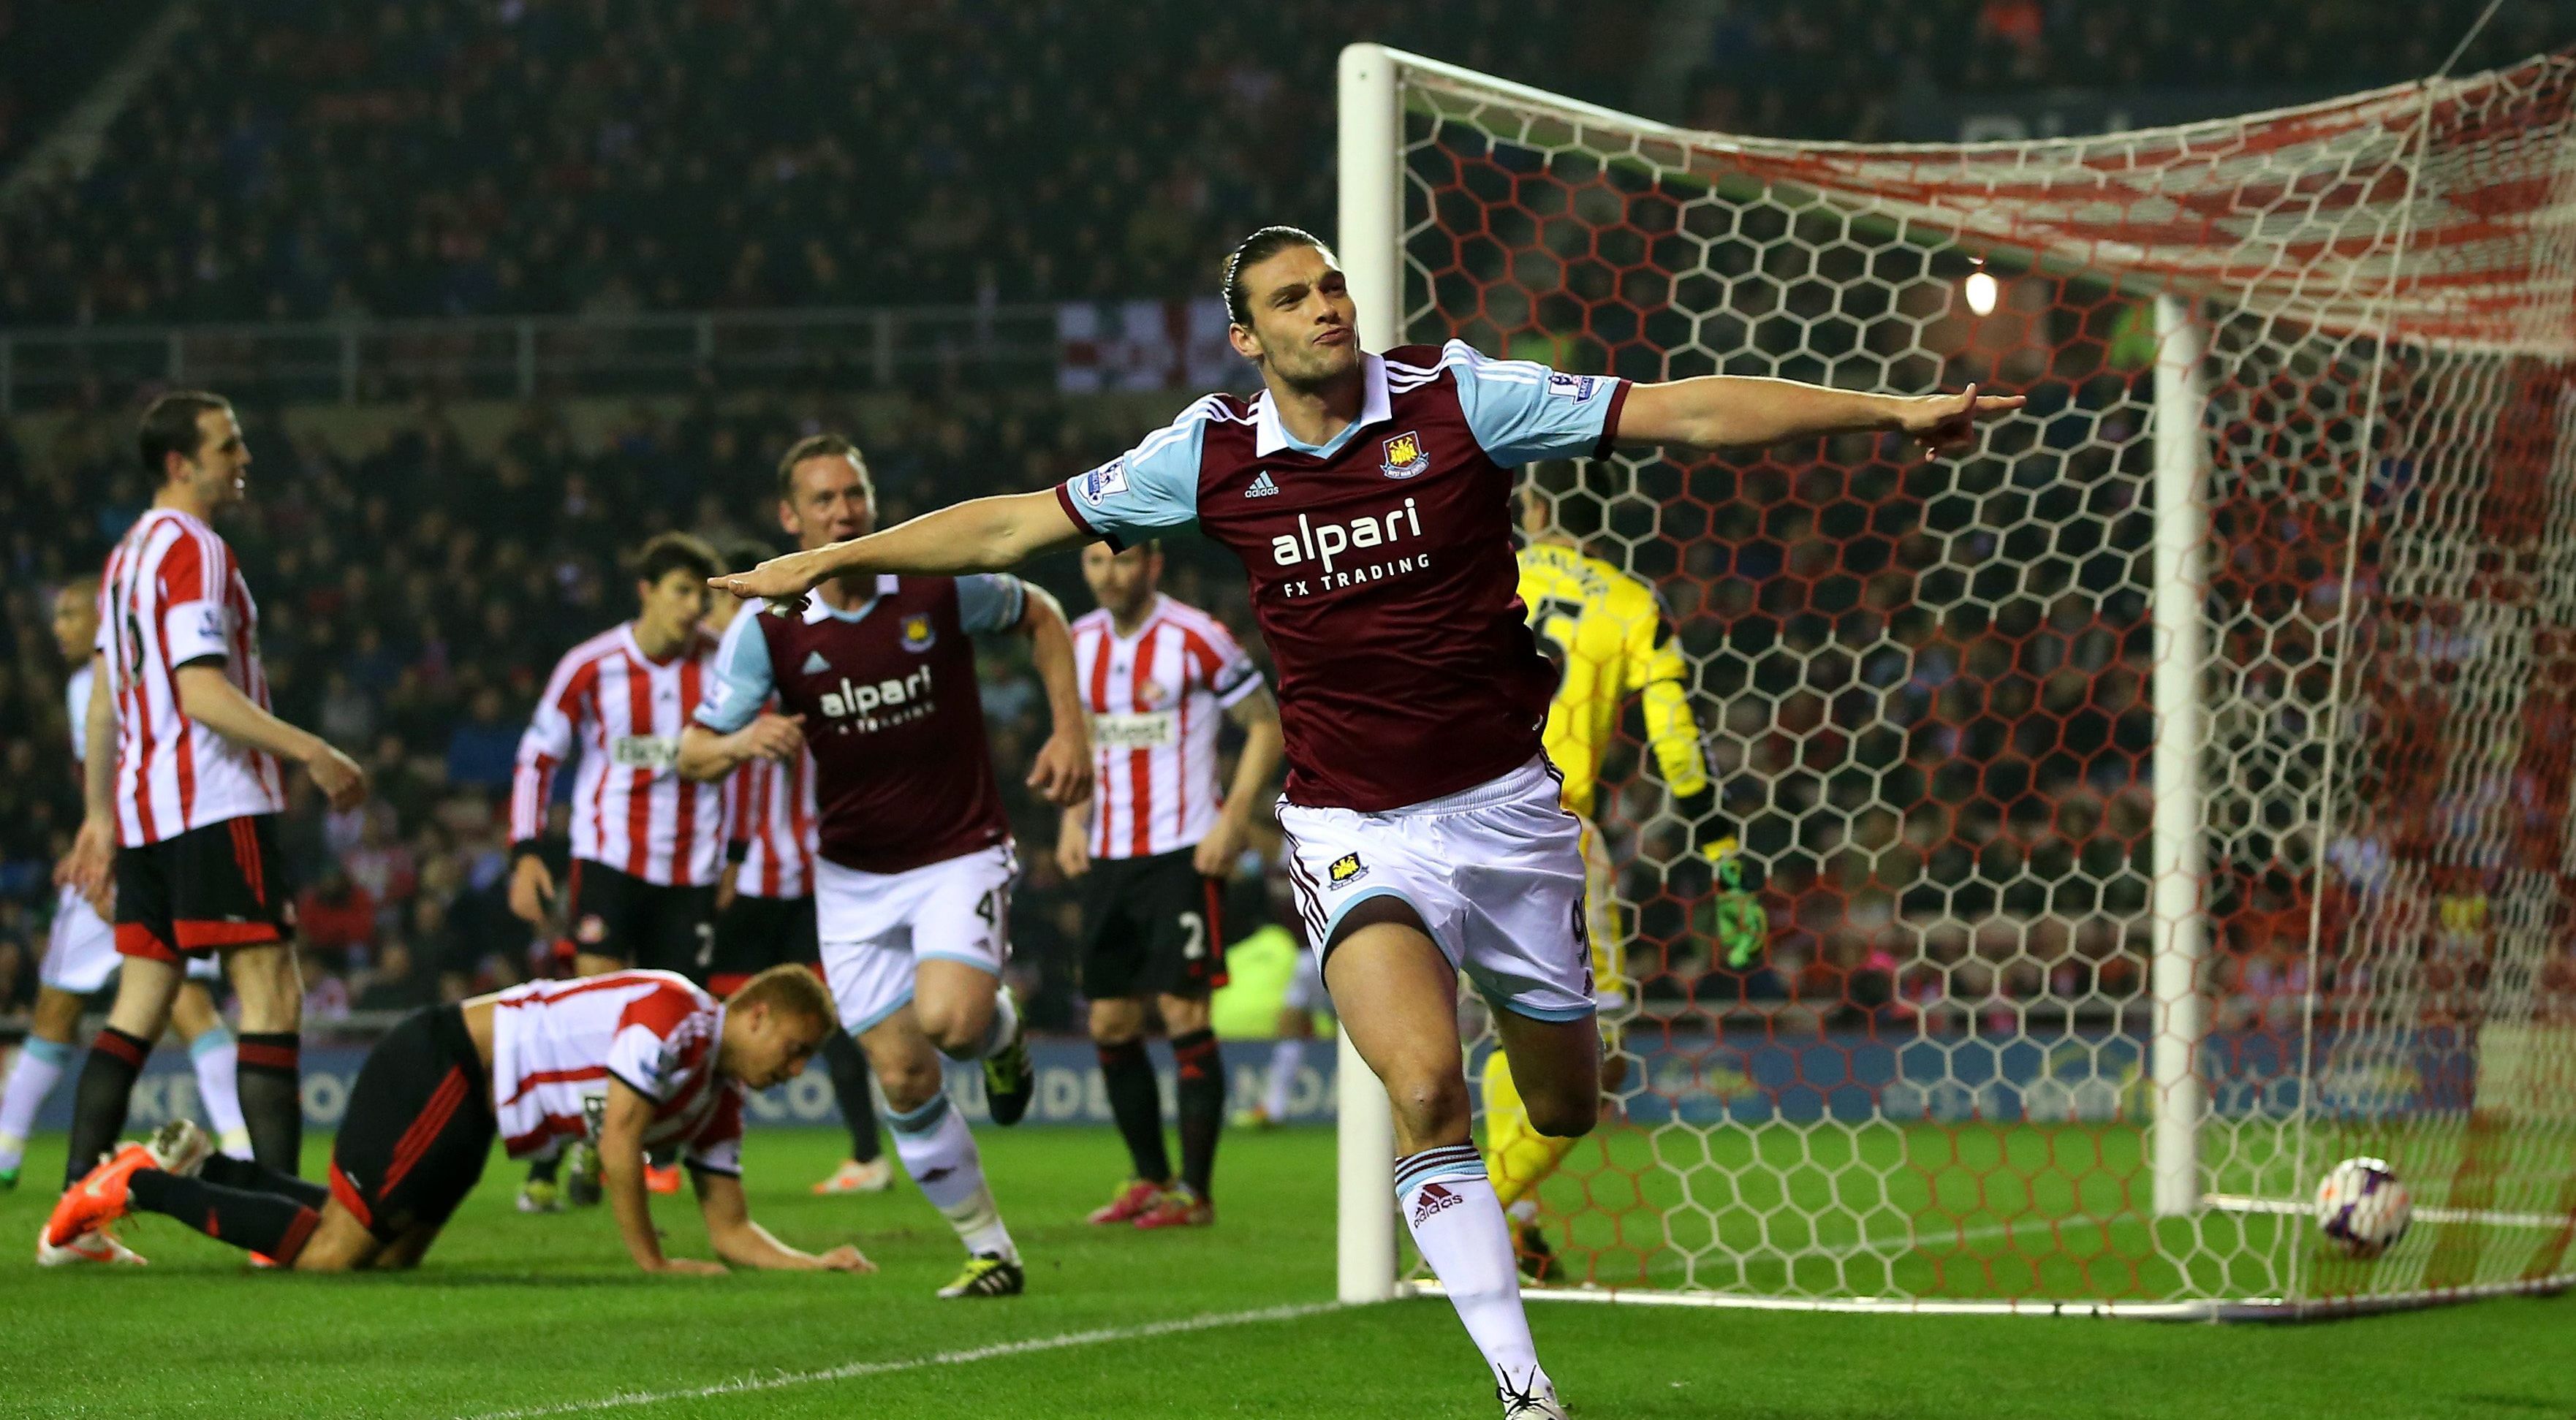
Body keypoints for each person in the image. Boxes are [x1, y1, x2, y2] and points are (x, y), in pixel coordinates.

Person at [713, 227, 2018, 1417]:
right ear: (1246, 336)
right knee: (1423, 1081)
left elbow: (1680, 409)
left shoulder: (1458, 397)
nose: (1326, 305)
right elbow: (1017, 520)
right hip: (1351, 825)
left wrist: (1884, 410)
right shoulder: (1207, 455)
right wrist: (841, 554)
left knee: (1563, 1099)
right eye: (1291, 296)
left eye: (1332, 283)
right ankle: (1522, 1386)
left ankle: (1514, 1227)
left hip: (1509, 815)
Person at [681, 433, 1091, 1299]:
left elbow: (1041, 615)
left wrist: (1070, 729)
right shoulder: (768, 628)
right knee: (902, 1074)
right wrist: (742, 740)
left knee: (949, 1023)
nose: (843, 512)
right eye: (823, 501)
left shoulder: (932, 582)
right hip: (851, 875)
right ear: (790, 519)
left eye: (853, 495)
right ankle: (991, 1250)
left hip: (957, 847)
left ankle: (1001, 1032)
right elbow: (692, 750)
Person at [45, 965, 870, 1276]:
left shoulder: (716, 1099)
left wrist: (813, 1263)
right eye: (793, 1050)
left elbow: (730, 1228)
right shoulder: (677, 1014)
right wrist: (653, 1262)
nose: (792, 1072)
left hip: (481, 1112)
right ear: (755, 1012)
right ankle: (140, 1183)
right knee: (335, 1253)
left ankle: (207, 1170)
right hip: (445, 1063)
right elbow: (619, 1141)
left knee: (389, 1254)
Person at [58, 391, 369, 1199]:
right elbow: (199, 693)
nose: (243, 459)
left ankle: (74, 1213)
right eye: (228, 446)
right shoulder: (193, 550)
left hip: (144, 813)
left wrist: (99, 816)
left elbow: (101, 701)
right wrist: (313, 749)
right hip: (211, 802)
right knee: (271, 989)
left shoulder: (125, 556)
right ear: (181, 462)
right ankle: (277, 1214)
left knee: (140, 1004)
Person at [1486, 487, 1770, 1279]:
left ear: (1531, 505)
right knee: (1596, 1053)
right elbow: (1676, 741)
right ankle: (1474, 1213)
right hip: (1548, 829)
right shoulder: (1626, 599)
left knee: (1508, 1028)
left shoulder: (1480, 566)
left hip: (1447, 821)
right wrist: (1722, 853)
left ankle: (1514, 1220)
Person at [1, 579, 253, 1231]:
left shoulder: (100, 681)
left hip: (122, 857)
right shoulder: (115, 674)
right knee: (179, 1001)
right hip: (157, 845)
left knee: (65, 1004)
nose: (59, 625)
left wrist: (105, 855)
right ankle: (240, 1144)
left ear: (101, 618)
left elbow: (111, 776)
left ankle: (10, 1147)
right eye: (54, 613)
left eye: (70, 613)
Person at [1056, 540, 1283, 1229]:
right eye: (1095, 563)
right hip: (1107, 856)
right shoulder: (1076, 641)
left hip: (1182, 852)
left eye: (1122, 562)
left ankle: (1196, 1191)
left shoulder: (1197, 636)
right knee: (1110, 1020)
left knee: (1184, 1015)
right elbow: (1080, 737)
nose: (1109, 575)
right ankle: (1149, 1178)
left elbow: (1265, 725)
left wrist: (1233, 817)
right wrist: (1073, 819)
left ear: (1153, 563)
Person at [506, 532, 736, 1210]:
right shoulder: (592, 664)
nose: (694, 607)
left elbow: (753, 758)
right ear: (647, 591)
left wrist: (740, 854)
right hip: (609, 860)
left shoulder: (724, 663)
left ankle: (645, 1150)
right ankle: (564, 1150)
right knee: (595, 1015)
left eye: (701, 594)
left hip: (692, 867)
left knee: (675, 1023)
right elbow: (537, 754)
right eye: (681, 592)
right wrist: (525, 850)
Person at [705, 539, 890, 1196]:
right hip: (782, 876)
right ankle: (863, 1155)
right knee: (787, 1019)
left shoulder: (772, 667)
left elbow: (735, 778)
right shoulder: (783, 663)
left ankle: (867, 1153)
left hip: (778, 879)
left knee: (735, 1017)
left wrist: (726, 860)